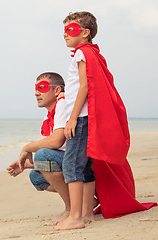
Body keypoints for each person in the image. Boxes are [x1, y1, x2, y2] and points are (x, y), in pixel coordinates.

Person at [56, 11, 157, 231]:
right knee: (86, 166)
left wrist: (71, 118)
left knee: (72, 165)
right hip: (86, 118)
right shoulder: (87, 52)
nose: (64, 34)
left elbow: (85, 86)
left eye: (70, 29)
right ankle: (85, 214)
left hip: (81, 118)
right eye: (64, 29)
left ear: (85, 33)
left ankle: (75, 217)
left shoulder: (82, 53)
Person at [7, 72, 70, 225]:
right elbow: (59, 150)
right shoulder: (49, 114)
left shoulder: (63, 103)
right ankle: (87, 201)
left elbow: (56, 142)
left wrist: (27, 147)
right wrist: (26, 165)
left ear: (56, 91)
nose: (36, 93)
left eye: (41, 87)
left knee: (42, 154)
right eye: (35, 88)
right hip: (69, 161)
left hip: (85, 163)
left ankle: (71, 209)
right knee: (36, 177)